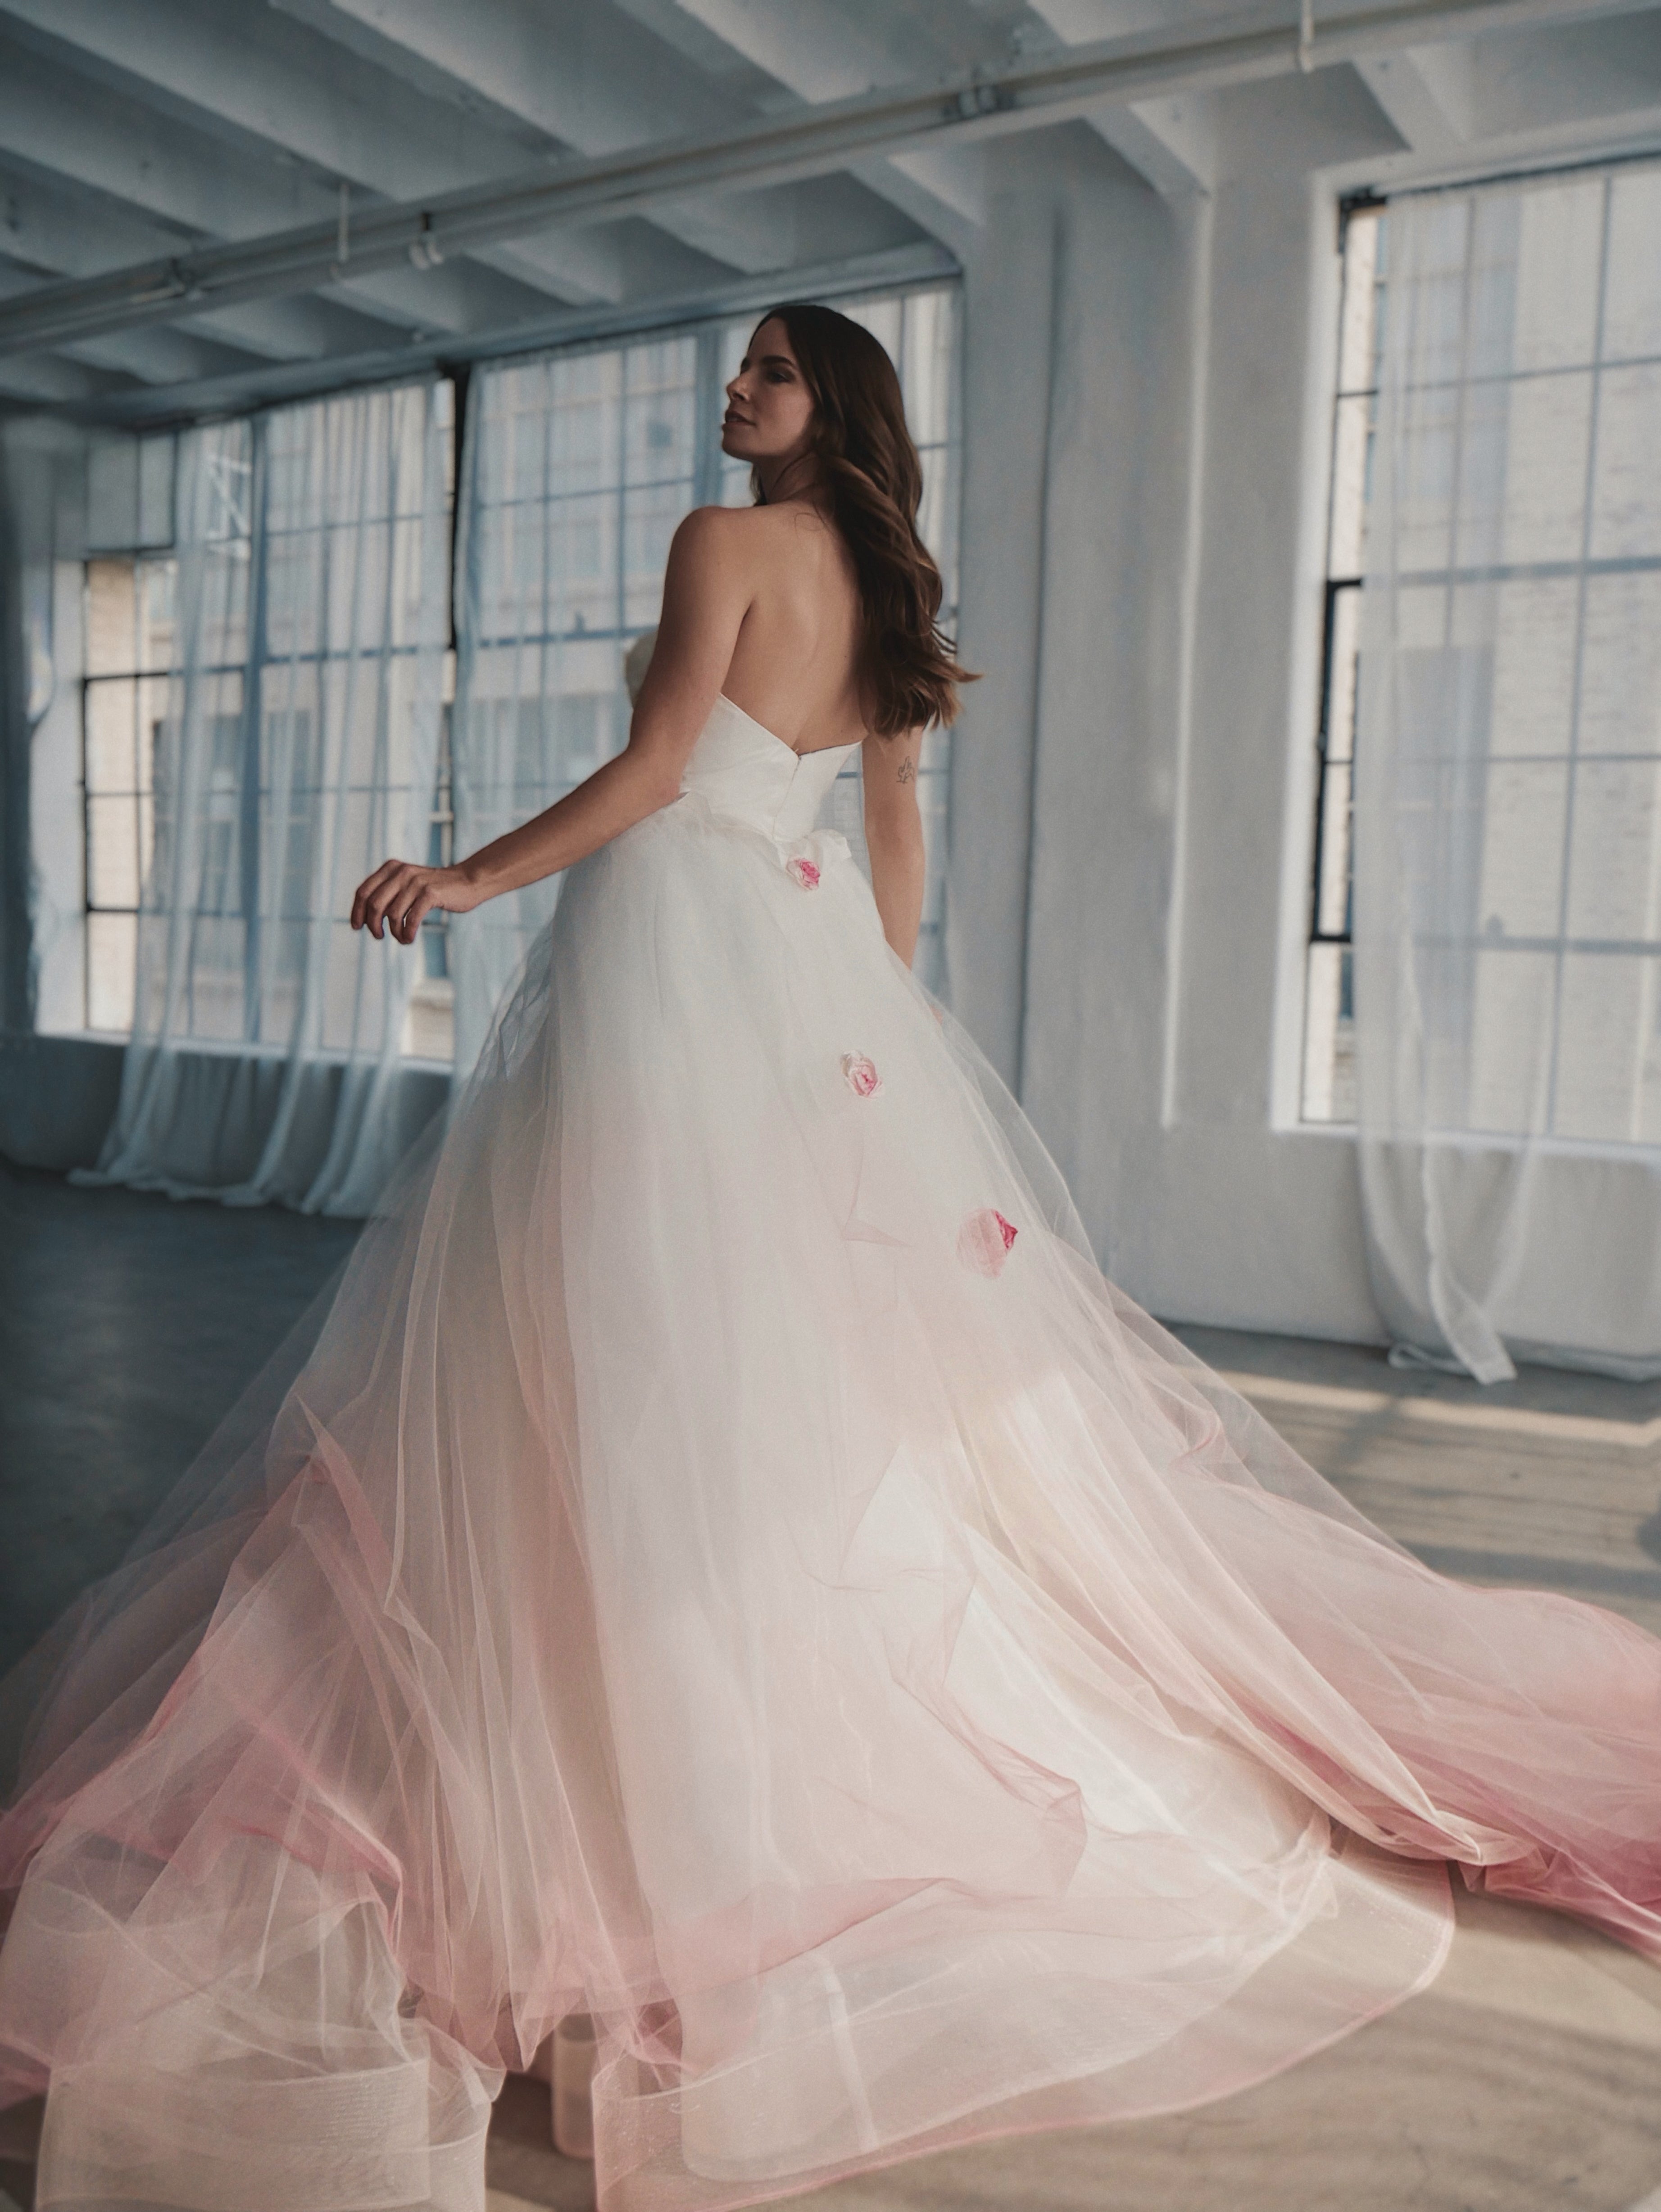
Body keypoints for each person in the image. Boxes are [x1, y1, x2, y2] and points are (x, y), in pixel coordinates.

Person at [1, 303, 1657, 2212]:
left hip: (665, 976)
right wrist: (864, 1043)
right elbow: (888, 838)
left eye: (768, 374)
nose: (734, 394)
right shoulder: (875, 590)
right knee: (748, 1383)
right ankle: (684, 1753)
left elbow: (649, 776)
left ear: (831, 405)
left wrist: (461, 878)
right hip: (780, 985)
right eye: (735, 371)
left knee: (603, 1365)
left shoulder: (722, 548)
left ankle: (634, 1780)